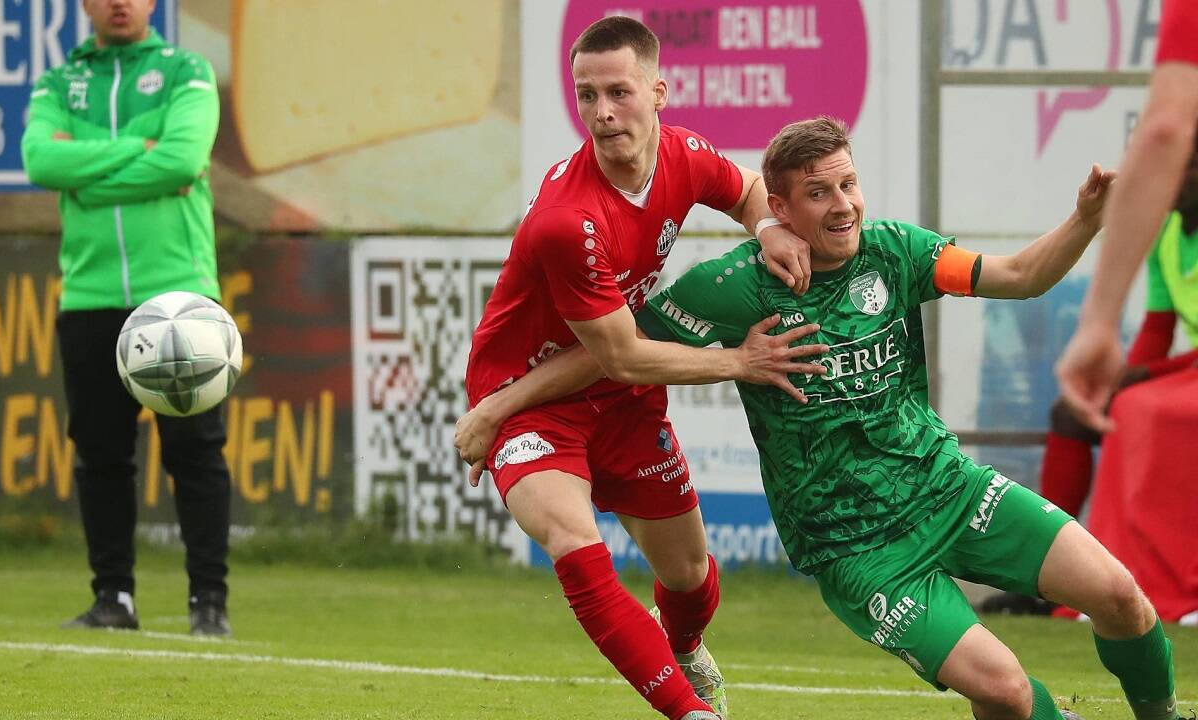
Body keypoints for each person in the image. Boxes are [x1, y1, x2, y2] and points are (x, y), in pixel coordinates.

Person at [465, 116, 1187, 720]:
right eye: (819, 193)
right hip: (856, 548)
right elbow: (611, 352)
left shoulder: (897, 251)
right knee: (1002, 691)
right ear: (780, 209)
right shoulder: (732, 288)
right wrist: (502, 404)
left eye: (848, 184)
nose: (843, 205)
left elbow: (1022, 277)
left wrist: (1087, 219)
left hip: (949, 492)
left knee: (1122, 598)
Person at [460, 16, 826, 720]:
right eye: (586, 95)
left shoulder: (682, 153)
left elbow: (744, 185)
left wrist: (769, 226)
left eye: (619, 93)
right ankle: (689, 711)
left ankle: (684, 645)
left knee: (690, 577)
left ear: (658, 91)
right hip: (527, 399)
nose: (602, 113)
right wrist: (738, 362)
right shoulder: (569, 218)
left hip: (619, 399)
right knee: (573, 539)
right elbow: (622, 354)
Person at [22, 0, 232, 636]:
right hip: (89, 296)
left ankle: (209, 604)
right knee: (100, 455)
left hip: (179, 298)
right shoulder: (59, 83)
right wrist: (139, 147)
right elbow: (39, 162)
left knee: (195, 453)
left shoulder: (186, 71)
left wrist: (86, 173)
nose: (120, 2)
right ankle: (114, 598)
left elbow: (183, 160)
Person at [981, 157, 1198, 618]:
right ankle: (1046, 582)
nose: (1170, 177)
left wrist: (1141, 381)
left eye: (1186, 166)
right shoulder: (1166, 235)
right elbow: (1158, 329)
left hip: (1182, 385)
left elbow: (1151, 368)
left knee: (1138, 408)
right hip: (1183, 381)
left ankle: (1148, 579)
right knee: (1075, 413)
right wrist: (1116, 384)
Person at [1057, 0, 1198, 432]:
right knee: (1090, 414)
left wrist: (1099, 321)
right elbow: (1158, 327)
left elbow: (1165, 130)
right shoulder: (1166, 236)